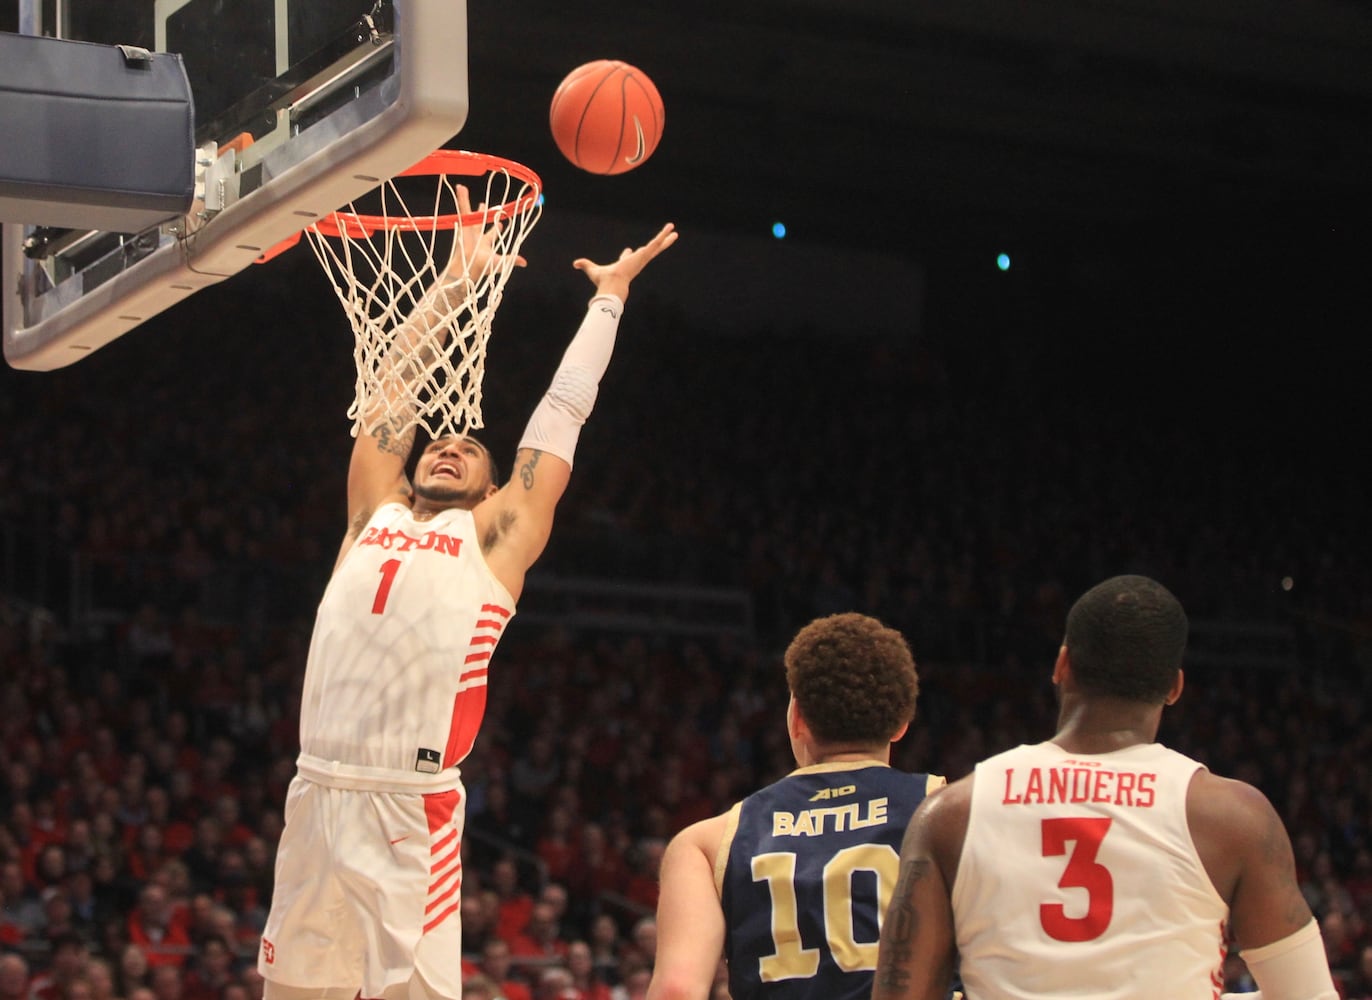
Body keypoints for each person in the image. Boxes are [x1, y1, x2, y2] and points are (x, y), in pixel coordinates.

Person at [257, 198, 678, 1000]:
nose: (448, 444)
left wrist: (609, 298)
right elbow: (390, 392)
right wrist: (453, 283)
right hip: (315, 790)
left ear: (493, 489)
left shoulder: (493, 539)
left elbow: (560, 414)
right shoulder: (369, 517)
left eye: (471, 448)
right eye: (440, 440)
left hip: (409, 813)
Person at [872, 574, 1340, 1000]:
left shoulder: (951, 812)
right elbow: (1309, 996)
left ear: (1061, 665)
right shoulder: (1233, 817)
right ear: (1174, 688)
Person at [646, 613, 946, 1000]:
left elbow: (676, 991)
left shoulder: (706, 842)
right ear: (901, 723)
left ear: (798, 718)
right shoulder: (951, 811)